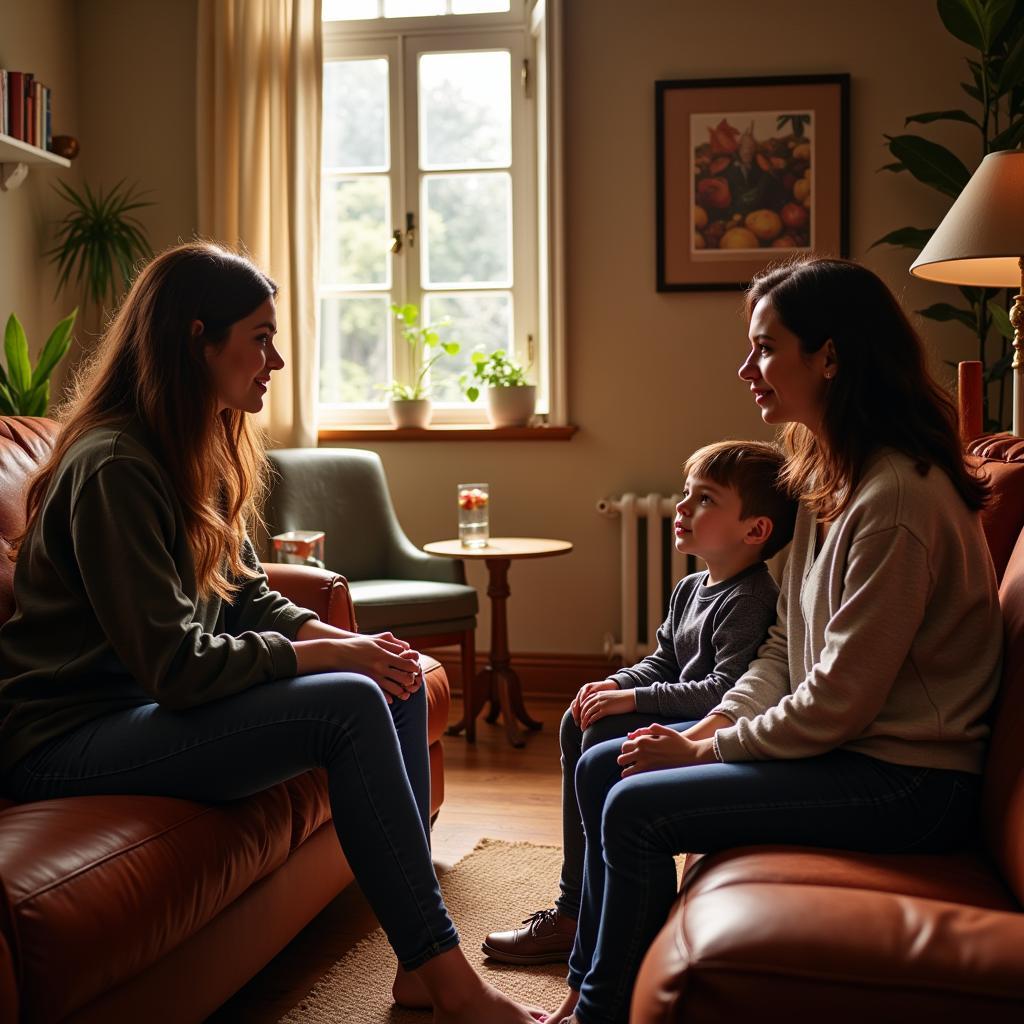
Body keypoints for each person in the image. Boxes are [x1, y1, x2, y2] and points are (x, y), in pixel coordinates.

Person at [0, 242, 541, 1024]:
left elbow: (249, 597)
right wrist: (328, 651)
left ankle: (419, 963)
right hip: (63, 736)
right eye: (259, 337)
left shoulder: (200, 447)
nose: (276, 359)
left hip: (137, 713)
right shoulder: (115, 466)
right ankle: (451, 980)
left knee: (386, 680)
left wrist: (353, 645)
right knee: (348, 701)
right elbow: (177, 667)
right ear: (197, 340)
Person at [542, 255, 1003, 1024]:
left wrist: (702, 749)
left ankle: (600, 1015)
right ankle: (583, 995)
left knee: (635, 808)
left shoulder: (894, 501)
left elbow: (837, 704)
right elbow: (785, 648)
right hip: (854, 751)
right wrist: (719, 722)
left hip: (911, 781)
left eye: (764, 347)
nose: (745, 368)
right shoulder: (830, 481)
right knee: (602, 766)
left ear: (829, 356)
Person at [484, 440, 797, 965]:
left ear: (755, 530)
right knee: (576, 720)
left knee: (602, 739)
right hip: (680, 704)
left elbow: (721, 692)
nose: (682, 507)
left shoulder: (750, 598)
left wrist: (633, 699)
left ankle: (585, 910)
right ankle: (576, 903)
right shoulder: (691, 588)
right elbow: (664, 661)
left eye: (705, 500)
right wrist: (616, 685)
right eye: (685, 494)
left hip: (705, 726)